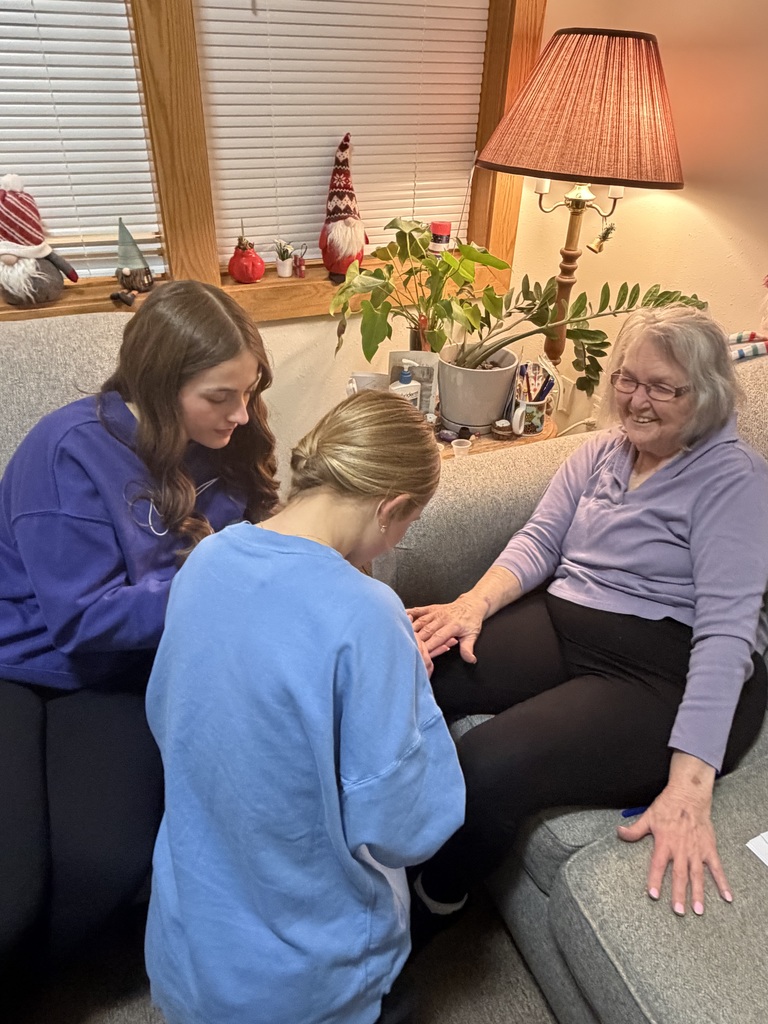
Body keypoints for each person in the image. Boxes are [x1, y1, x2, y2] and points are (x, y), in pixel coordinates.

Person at [409, 304, 768, 928]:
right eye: (628, 379)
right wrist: (470, 606)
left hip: (667, 667)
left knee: (489, 767)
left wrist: (689, 785)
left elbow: (725, 633)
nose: (637, 399)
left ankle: (426, 912)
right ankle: (379, 846)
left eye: (662, 387)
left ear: (707, 395)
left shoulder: (734, 481)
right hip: (569, 617)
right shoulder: (603, 451)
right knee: (415, 672)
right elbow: (540, 541)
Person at [144, 390, 465, 1024]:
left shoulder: (206, 558)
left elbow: (175, 718)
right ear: (393, 507)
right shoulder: (368, 614)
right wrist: (404, 684)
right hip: (302, 986)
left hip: (188, 953)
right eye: (409, 525)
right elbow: (409, 828)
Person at [0, 280, 279, 976]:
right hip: (24, 664)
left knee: (108, 859)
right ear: (159, 384)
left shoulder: (226, 447)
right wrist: (219, 575)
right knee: (14, 882)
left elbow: (249, 552)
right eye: (221, 397)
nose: (241, 415)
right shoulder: (68, 448)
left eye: (247, 393)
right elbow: (83, 620)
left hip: (124, 676)